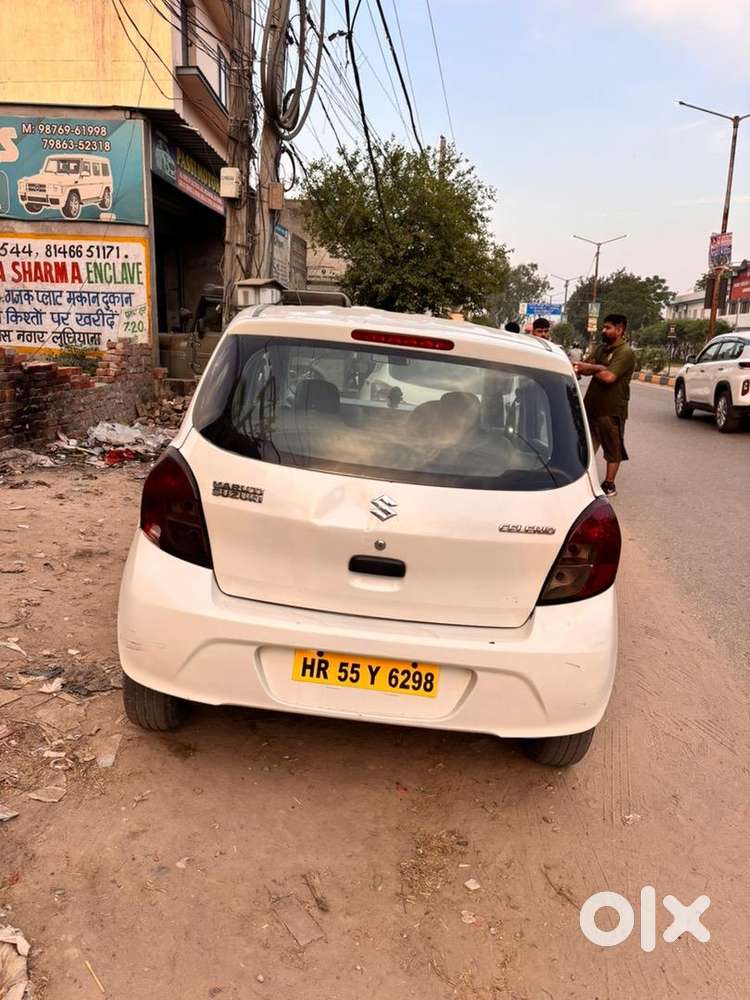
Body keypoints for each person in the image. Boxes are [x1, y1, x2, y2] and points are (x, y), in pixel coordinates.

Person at [574, 313, 636, 498]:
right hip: (591, 407)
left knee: (612, 448)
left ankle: (609, 484)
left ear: (619, 330)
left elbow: (609, 377)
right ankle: (581, 478)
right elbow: (582, 367)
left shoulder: (625, 352)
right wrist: (598, 368)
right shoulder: (602, 349)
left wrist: (597, 369)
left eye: (608, 328)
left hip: (611, 410)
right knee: (586, 444)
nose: (604, 330)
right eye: (603, 327)